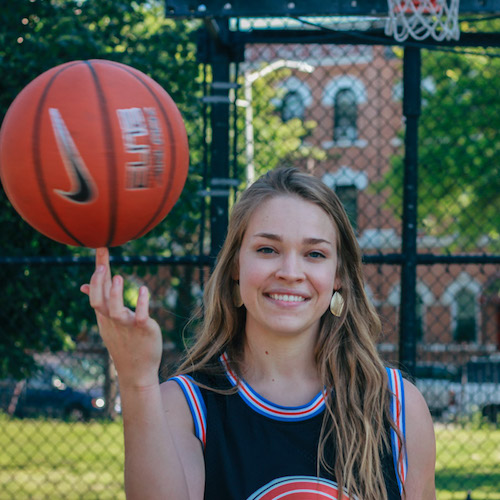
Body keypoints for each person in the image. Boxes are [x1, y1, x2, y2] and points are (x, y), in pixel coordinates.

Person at [81, 167, 436, 500]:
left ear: (338, 275)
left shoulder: (396, 406)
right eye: (268, 249)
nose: (290, 272)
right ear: (236, 265)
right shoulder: (186, 405)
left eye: (314, 253)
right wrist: (137, 381)